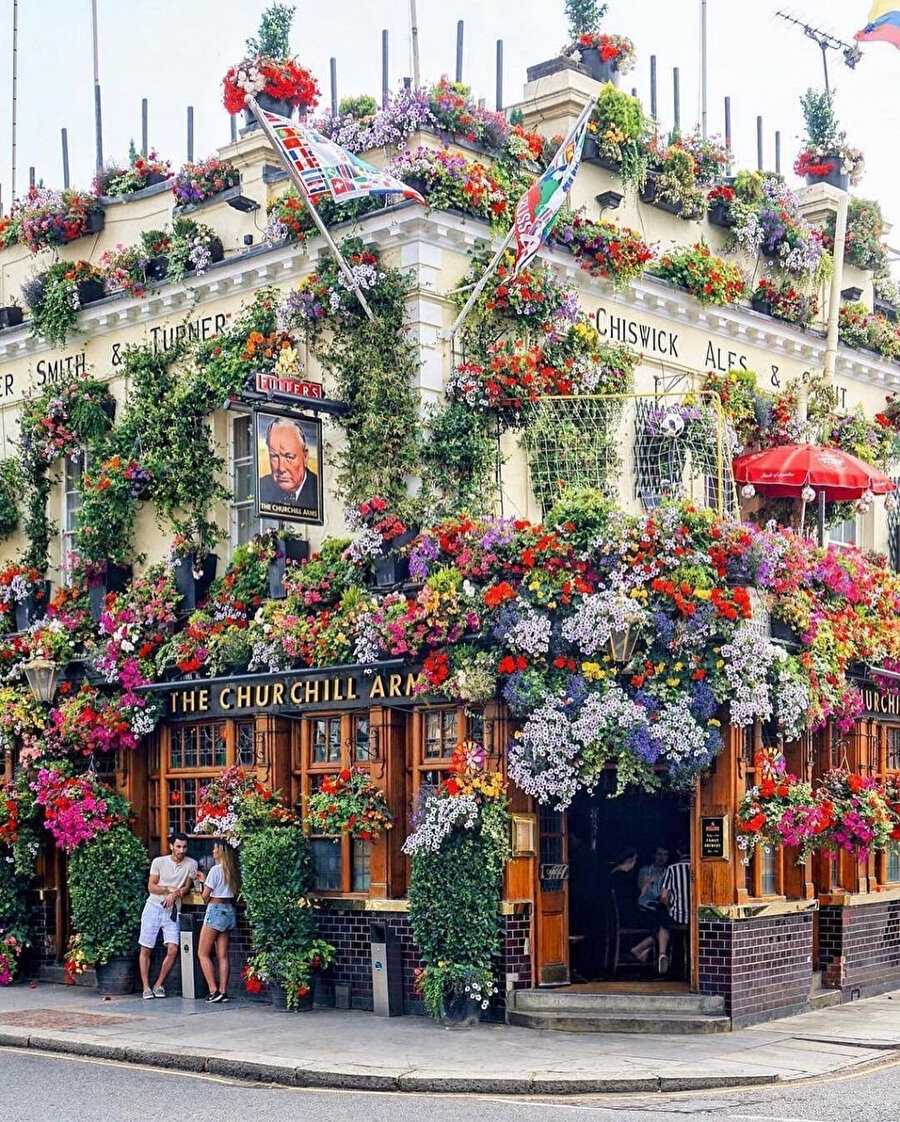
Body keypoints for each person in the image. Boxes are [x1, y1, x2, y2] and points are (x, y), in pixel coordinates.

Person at [138, 833, 200, 1000]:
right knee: (146, 947)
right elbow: (151, 886)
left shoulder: (191, 864)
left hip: (173, 910)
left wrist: (174, 895)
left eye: (184, 847)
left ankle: (159, 984)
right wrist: (168, 889)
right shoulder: (159, 862)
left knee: (173, 949)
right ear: (171, 846)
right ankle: (145, 987)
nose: (181, 850)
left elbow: (186, 887)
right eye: (178, 846)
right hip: (153, 907)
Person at [198, 840, 241, 1004]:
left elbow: (205, 895)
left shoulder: (215, 870)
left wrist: (203, 882)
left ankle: (213, 990)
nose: (213, 852)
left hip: (215, 909)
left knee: (202, 953)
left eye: (215, 849)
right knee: (223, 955)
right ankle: (223, 991)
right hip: (228, 910)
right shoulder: (232, 870)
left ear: (221, 852)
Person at [258, 419, 319, 515]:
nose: (281, 468)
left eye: (289, 457)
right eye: (274, 456)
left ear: (305, 456)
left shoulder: (318, 489)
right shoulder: (261, 488)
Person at [609, 848, 656, 965]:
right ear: (630, 860)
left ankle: (640, 959)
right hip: (627, 918)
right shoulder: (623, 878)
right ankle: (637, 950)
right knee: (661, 926)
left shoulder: (612, 875)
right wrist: (645, 885)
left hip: (615, 918)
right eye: (635, 860)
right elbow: (635, 897)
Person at [638, 844, 672, 974]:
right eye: (659, 854)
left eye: (665, 855)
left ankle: (642, 952)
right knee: (665, 925)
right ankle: (640, 951)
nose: (661, 858)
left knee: (665, 920)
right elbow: (641, 892)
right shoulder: (644, 871)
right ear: (653, 855)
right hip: (644, 908)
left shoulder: (668, 872)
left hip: (660, 909)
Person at [658, 849, 692, 976]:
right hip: (695, 920)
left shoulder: (672, 869)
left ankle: (663, 954)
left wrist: (669, 905)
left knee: (663, 924)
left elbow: (663, 896)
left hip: (676, 917)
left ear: (678, 852)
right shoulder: (700, 867)